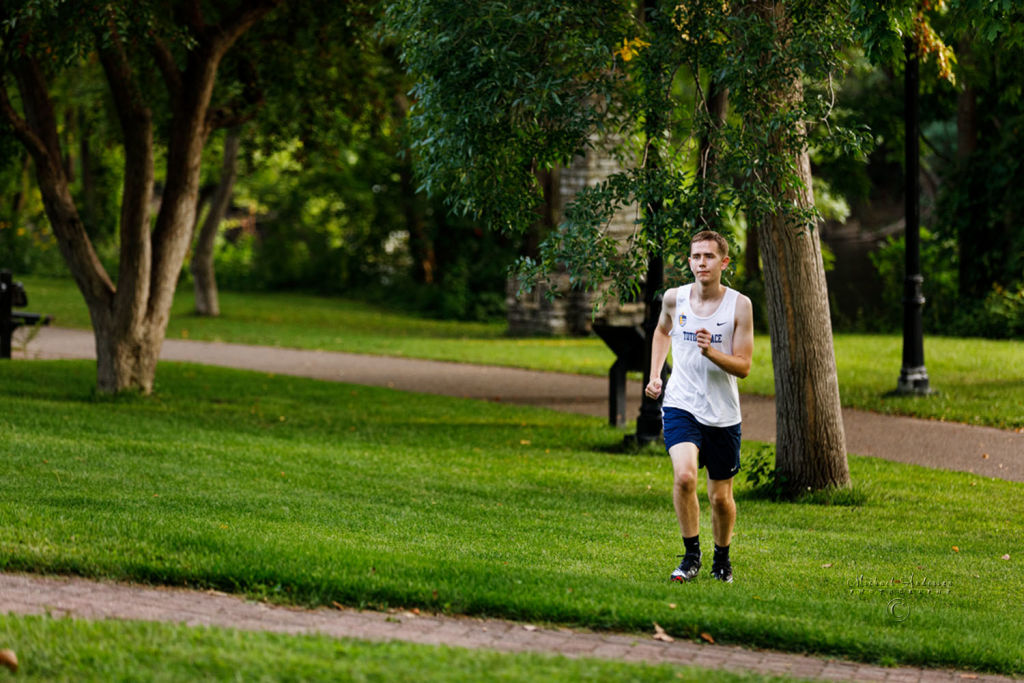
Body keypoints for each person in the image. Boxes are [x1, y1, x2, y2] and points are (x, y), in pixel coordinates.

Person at [645, 230, 754, 583]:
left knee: (720, 498)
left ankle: (722, 559)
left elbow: (744, 366)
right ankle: (691, 556)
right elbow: (662, 332)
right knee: (685, 476)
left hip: (723, 412)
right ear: (689, 261)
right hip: (681, 403)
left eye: (708, 256)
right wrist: (656, 375)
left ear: (724, 263)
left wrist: (711, 352)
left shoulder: (739, 305)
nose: (701, 262)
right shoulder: (674, 299)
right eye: (696, 256)